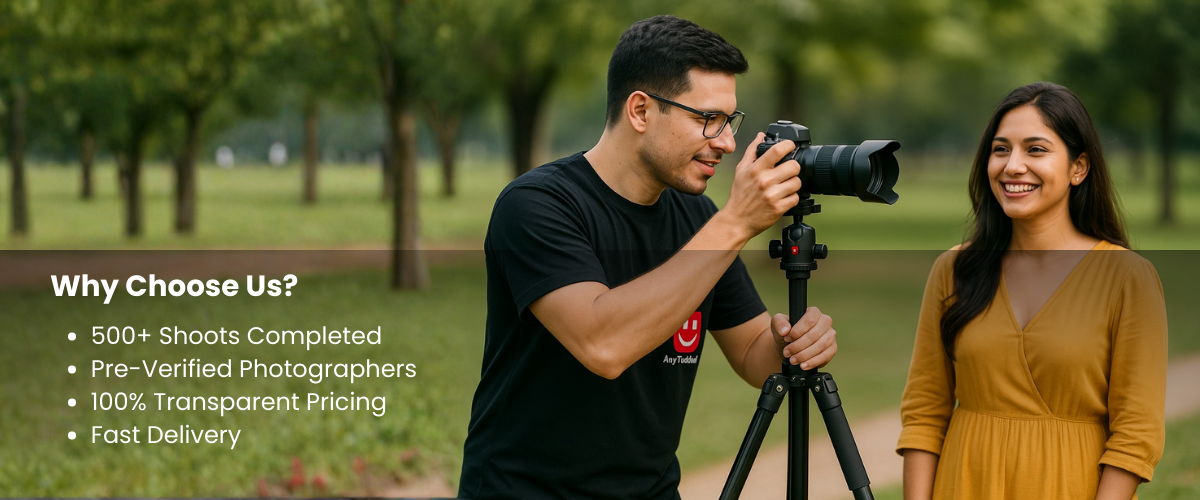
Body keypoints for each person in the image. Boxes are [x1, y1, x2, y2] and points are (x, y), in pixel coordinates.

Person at [458, 15, 840, 499]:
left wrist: (796, 345)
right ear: (640, 110)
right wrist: (737, 222)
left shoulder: (698, 218)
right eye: (708, 119)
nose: (727, 142)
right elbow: (603, 346)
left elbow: (751, 353)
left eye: (730, 121)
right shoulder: (535, 205)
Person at [896, 82, 1168, 500]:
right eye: (1001, 149)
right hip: (963, 483)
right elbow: (924, 415)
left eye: (1035, 150)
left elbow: (1136, 434)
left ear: (1079, 168)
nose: (1012, 166)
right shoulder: (953, 269)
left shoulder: (1127, 278)